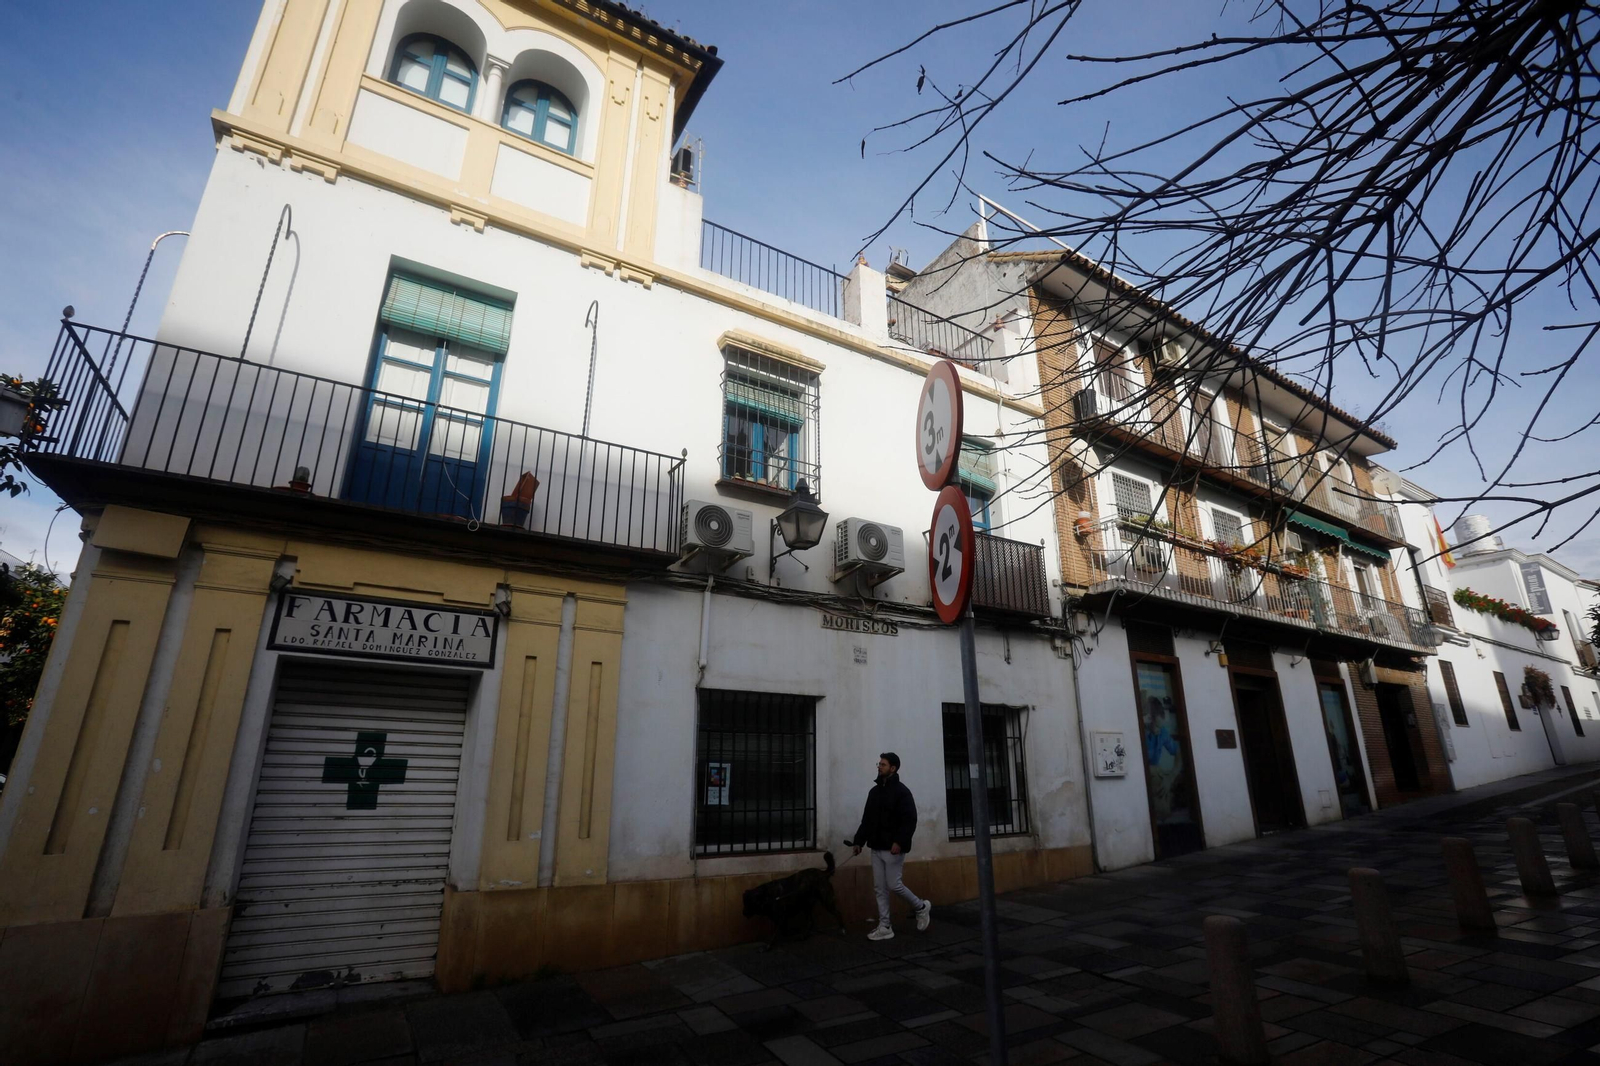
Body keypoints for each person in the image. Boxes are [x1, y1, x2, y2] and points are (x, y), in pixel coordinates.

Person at [849, 752, 930, 940]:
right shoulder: (874, 792)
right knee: (880, 887)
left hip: (893, 848)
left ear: (893, 768)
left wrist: (899, 842)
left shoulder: (902, 792)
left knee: (894, 884)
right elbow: (867, 820)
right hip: (876, 846)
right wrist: (858, 841)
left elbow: (909, 820)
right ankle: (885, 925)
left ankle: (921, 907)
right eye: (879, 764)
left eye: (883, 764)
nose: (879, 766)